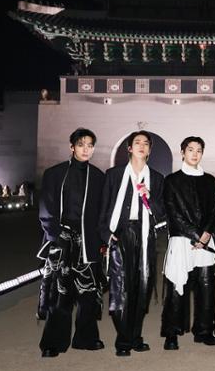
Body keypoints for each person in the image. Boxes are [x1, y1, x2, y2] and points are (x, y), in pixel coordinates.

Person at [37, 128, 105, 357]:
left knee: (88, 293)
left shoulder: (98, 176)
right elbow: (46, 208)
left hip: (89, 241)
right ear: (72, 147)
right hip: (62, 239)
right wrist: (54, 237)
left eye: (90, 145)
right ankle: (53, 343)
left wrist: (102, 240)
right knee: (60, 292)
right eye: (81, 144)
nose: (86, 149)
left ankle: (86, 338)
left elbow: (101, 212)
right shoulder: (55, 174)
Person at [100, 130, 166, 357]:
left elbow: (161, 213)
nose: (141, 146)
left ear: (149, 150)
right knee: (120, 288)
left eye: (146, 143)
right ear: (129, 148)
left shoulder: (156, 178)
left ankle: (135, 336)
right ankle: (123, 339)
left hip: (145, 234)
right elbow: (104, 207)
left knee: (142, 287)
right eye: (137, 142)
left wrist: (150, 197)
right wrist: (106, 234)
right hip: (120, 233)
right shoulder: (114, 175)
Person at [160, 136, 215, 350]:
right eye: (190, 150)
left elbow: (214, 211)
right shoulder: (172, 180)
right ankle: (172, 333)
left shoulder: (210, 180)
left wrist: (206, 234)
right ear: (182, 153)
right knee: (177, 287)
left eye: (199, 150)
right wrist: (196, 234)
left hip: (205, 241)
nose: (195, 154)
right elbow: (172, 212)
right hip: (181, 239)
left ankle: (204, 331)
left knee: (206, 287)